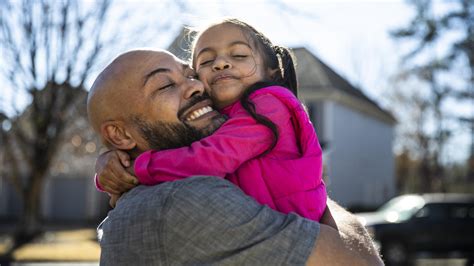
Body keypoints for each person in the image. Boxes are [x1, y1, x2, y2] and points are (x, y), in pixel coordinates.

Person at [87, 49, 383, 265]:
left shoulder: (146, 198)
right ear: (120, 136)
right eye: (165, 85)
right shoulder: (187, 198)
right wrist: (307, 182)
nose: (198, 85)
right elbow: (361, 261)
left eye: (190, 74)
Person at [96, 18, 327, 222]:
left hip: (296, 230)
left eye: (239, 55)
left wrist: (138, 169)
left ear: (271, 73)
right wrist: (113, 162)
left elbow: (210, 157)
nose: (221, 63)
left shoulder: (269, 106)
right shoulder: (219, 117)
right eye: (206, 62)